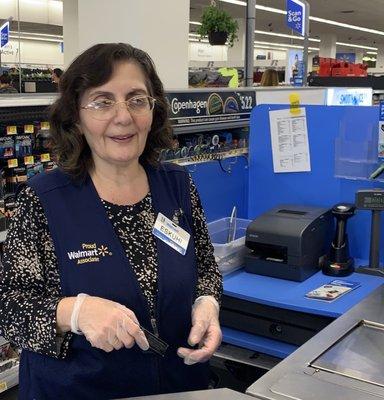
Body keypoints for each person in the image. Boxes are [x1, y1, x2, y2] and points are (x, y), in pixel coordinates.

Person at [0, 43, 223, 399]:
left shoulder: (178, 185)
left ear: (154, 110)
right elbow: (9, 306)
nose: (123, 117)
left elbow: (206, 270)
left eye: (137, 99)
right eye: (102, 101)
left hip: (180, 385)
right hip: (76, 390)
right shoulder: (43, 200)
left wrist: (207, 304)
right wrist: (74, 312)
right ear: (76, 115)